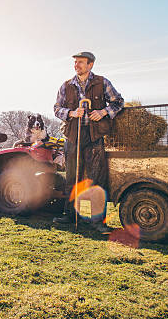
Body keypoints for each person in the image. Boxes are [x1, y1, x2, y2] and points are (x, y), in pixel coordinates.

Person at [53, 52, 124, 231]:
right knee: (71, 178)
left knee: (96, 178)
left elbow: (118, 102)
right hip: (72, 136)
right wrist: (70, 113)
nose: (76, 65)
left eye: (81, 62)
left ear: (90, 65)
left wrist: (103, 112)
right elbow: (56, 109)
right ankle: (70, 215)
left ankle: (97, 221)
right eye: (75, 62)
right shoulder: (67, 85)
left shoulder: (102, 82)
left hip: (94, 136)